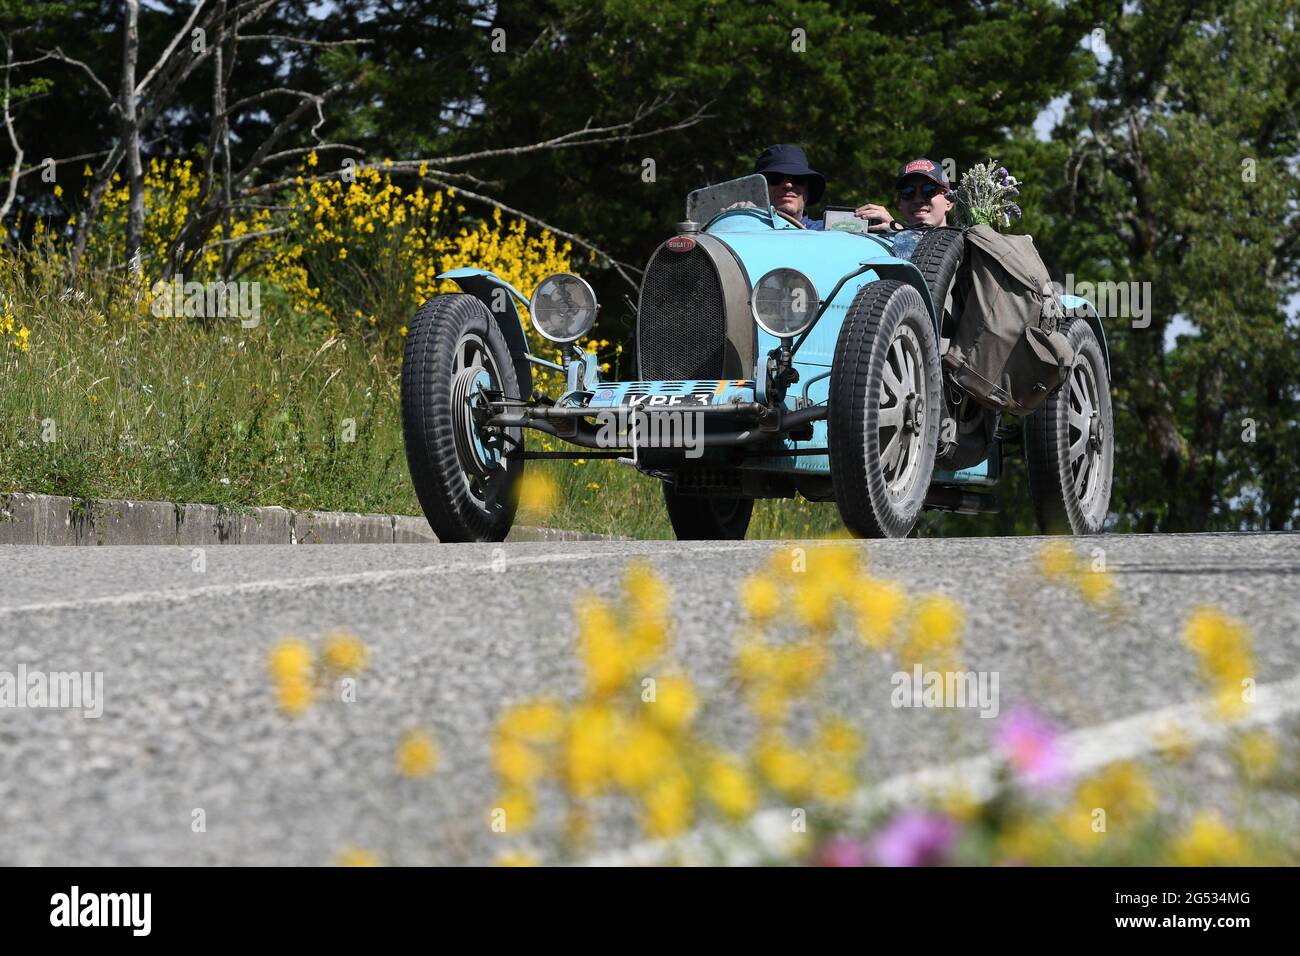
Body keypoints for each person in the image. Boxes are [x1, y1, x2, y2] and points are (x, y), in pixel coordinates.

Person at [727, 144, 826, 229]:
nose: (788, 185)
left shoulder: (827, 232)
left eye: (798, 179)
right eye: (776, 178)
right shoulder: (744, 229)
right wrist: (733, 221)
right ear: (759, 190)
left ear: (807, 189)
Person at [854, 158, 954, 232]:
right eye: (908, 191)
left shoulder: (966, 245)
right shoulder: (890, 240)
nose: (918, 199)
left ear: (949, 201)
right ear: (899, 204)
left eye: (928, 190)